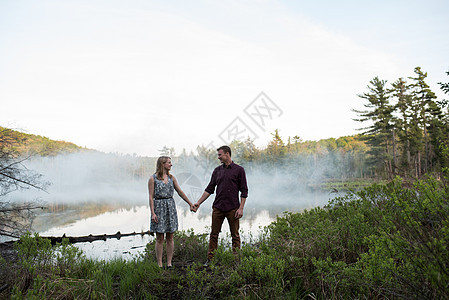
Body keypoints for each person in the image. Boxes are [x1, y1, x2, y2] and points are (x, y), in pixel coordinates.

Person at [193, 145, 248, 265]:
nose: (218, 157)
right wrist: (198, 202)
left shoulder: (239, 170)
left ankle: (236, 260)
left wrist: (241, 208)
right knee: (214, 234)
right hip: (218, 208)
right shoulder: (217, 171)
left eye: (220, 155)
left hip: (233, 208)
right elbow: (209, 189)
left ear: (227, 154)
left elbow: (244, 191)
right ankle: (210, 259)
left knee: (235, 235)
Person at [148, 156, 195, 269]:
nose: (171, 164)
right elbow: (150, 197)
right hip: (159, 208)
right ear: (162, 164)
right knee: (160, 238)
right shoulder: (153, 178)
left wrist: (190, 203)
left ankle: (169, 263)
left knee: (170, 237)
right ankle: (159, 264)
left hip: (170, 207)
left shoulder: (172, 178)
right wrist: (153, 213)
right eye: (169, 163)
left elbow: (180, 192)